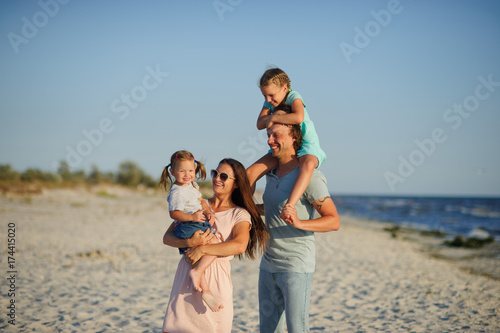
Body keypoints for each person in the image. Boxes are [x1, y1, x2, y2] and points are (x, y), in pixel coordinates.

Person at [162, 158, 269, 333]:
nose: (217, 179)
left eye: (224, 176)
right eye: (215, 174)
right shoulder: (196, 203)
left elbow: (239, 245)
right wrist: (190, 243)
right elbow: (167, 238)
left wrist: (202, 248)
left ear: (236, 184)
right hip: (187, 275)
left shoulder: (239, 213)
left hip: (216, 282)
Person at [255, 114, 340, 333]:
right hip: (268, 265)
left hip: (296, 266)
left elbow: (333, 220)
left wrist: (301, 223)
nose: (270, 140)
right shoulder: (271, 174)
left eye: (276, 135)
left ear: (294, 137)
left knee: (297, 328)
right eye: (268, 135)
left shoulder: (309, 177)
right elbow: (274, 210)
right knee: (267, 329)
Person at [247, 67, 327, 222]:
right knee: (250, 173)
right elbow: (259, 123)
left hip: (306, 144)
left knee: (308, 165)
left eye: (271, 95)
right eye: (265, 95)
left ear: (285, 88)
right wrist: (273, 116)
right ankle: (246, 209)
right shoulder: (269, 102)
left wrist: (274, 118)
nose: (268, 99)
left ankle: (290, 204)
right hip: (283, 147)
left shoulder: (293, 96)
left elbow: (298, 117)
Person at [159, 150, 223, 312]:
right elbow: (174, 213)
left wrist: (208, 212)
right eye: (182, 171)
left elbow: (200, 201)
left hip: (196, 222)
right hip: (188, 225)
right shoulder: (177, 192)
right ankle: (198, 273)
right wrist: (192, 218)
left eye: (190, 171)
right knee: (215, 243)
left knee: (196, 256)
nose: (187, 175)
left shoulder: (192, 185)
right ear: (172, 172)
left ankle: (205, 290)